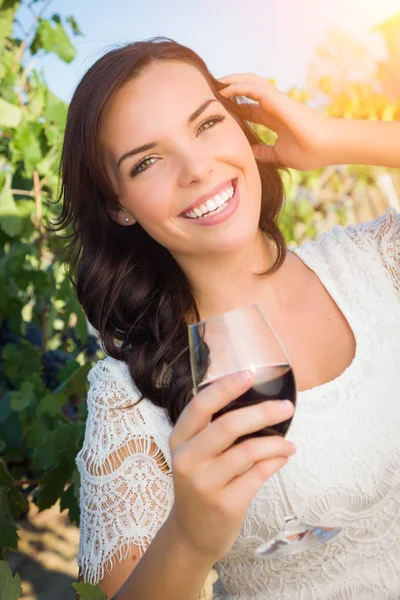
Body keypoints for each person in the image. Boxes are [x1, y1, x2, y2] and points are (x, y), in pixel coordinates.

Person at [58, 37, 400, 600]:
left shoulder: (376, 261)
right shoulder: (128, 397)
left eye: (207, 124)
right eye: (146, 161)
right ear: (118, 205)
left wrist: (334, 137)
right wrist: (190, 540)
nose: (196, 168)